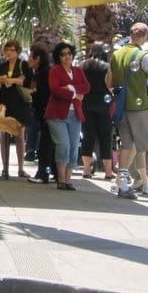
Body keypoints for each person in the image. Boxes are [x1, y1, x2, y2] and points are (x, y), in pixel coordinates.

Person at [108, 22, 148, 200]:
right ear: (144, 37)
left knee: (126, 145)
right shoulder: (144, 56)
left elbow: (108, 82)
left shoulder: (117, 55)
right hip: (140, 107)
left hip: (122, 108)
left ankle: (123, 185)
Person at [45, 41, 89, 191]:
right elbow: (55, 89)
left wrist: (69, 89)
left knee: (73, 147)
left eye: (69, 53)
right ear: (58, 56)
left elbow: (86, 87)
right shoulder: (55, 71)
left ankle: (68, 179)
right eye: (63, 54)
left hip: (75, 114)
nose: (66, 57)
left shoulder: (78, 70)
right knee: (63, 144)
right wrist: (75, 94)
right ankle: (61, 179)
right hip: (57, 114)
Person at [0, 39, 32, 179]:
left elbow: (29, 81)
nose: (9, 52)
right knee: (4, 134)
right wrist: (1, 81)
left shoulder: (23, 65)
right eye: (7, 50)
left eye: (12, 50)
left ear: (18, 51)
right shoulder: (2, 66)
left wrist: (13, 80)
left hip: (20, 102)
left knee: (19, 135)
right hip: (6, 101)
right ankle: (5, 168)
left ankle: (21, 168)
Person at [79, 43, 114, 181]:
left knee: (87, 137)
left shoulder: (82, 66)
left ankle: (86, 169)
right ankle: (108, 171)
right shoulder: (107, 67)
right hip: (103, 106)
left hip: (86, 104)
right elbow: (111, 85)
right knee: (105, 138)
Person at [26, 44, 55, 184]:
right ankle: (53, 172)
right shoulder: (40, 72)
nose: (28, 59)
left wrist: (32, 93)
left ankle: (43, 174)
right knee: (48, 143)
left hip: (46, 112)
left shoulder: (43, 73)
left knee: (45, 144)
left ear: (37, 58)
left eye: (30, 56)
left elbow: (43, 93)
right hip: (43, 112)